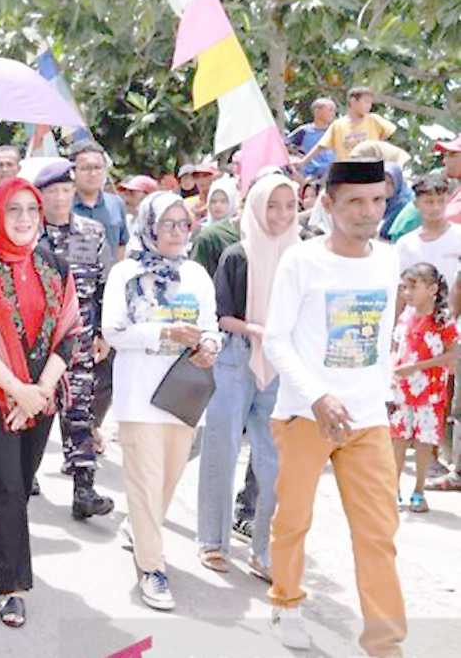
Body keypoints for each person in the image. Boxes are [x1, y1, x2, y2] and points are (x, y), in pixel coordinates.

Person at [262, 159, 405, 656]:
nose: (369, 213)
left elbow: (382, 336)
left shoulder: (389, 259)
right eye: (356, 202)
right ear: (327, 204)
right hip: (306, 414)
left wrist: (380, 395)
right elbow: (277, 340)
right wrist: (317, 394)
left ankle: (385, 641)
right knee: (294, 520)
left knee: (377, 532)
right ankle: (286, 602)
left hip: (367, 420)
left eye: (378, 201)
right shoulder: (302, 261)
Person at [0, 177, 80, 627]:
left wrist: (39, 391)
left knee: (20, 485)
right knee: (4, 488)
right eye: (14, 210)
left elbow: (69, 333)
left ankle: (2, 542)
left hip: (41, 398)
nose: (24, 219)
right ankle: (12, 586)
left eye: (31, 209)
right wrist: (18, 391)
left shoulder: (56, 266)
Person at [103, 191, 221, 611]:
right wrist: (165, 333)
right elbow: (114, 331)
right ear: (149, 226)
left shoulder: (197, 276)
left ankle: (140, 528)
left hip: (182, 394)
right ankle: (152, 567)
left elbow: (211, 325)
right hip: (138, 396)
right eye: (167, 223)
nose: (175, 232)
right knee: (146, 480)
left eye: (182, 224)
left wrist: (209, 344)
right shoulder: (126, 274)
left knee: (168, 480)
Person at [196, 174, 297, 582]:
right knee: (221, 450)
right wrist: (258, 331)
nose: (281, 215)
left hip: (281, 366)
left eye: (289, 205)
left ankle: (264, 550)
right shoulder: (237, 255)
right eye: (272, 205)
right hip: (237, 358)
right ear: (255, 206)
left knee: (274, 462)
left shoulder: (300, 258)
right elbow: (221, 316)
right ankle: (212, 542)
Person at [33, 159, 115, 517]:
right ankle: (20, 479)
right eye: (53, 192)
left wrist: (103, 333)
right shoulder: (28, 234)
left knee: (80, 412)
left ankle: (84, 488)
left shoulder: (91, 233)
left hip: (80, 340)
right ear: (41, 196)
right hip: (38, 345)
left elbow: (104, 287)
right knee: (34, 413)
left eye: (66, 190)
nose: (61, 198)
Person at [391, 263, 458, 514]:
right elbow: (396, 345)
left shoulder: (442, 320)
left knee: (423, 442)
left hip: (430, 394)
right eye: (404, 287)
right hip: (402, 390)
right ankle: (393, 488)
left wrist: (418, 366)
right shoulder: (406, 315)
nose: (406, 293)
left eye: (412, 287)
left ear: (432, 289)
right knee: (397, 438)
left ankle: (418, 490)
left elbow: (453, 354)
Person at [298, 86, 396, 168]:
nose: (369, 106)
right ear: (353, 101)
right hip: (347, 171)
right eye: (366, 102)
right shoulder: (338, 125)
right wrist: (303, 162)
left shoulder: (374, 120)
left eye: (370, 103)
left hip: (371, 169)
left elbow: (388, 135)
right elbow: (321, 146)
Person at [395, 172, 461, 285]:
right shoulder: (406, 244)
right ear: (416, 204)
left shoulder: (458, 236)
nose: (436, 208)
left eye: (441, 201)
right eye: (429, 202)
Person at [70, 140, 129, 261]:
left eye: (97, 167)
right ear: (73, 172)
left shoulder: (116, 204)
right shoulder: (64, 206)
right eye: (86, 168)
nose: (92, 173)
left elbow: (121, 246)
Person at [286, 97, 338, 178]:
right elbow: (284, 145)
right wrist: (298, 156)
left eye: (334, 110)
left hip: (333, 175)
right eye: (330, 110)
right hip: (310, 177)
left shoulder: (336, 131)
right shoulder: (304, 131)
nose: (333, 113)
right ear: (317, 111)